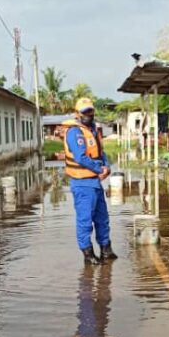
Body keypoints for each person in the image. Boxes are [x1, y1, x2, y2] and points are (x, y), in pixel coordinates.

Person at [63, 96, 117, 265]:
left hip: (95, 182)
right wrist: (99, 169)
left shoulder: (93, 129)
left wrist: (106, 167)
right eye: (85, 112)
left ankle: (106, 249)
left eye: (91, 111)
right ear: (77, 114)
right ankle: (88, 254)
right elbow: (80, 157)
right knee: (85, 220)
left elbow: (101, 152)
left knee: (102, 217)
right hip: (82, 183)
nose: (89, 114)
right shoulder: (74, 132)